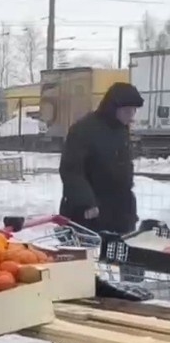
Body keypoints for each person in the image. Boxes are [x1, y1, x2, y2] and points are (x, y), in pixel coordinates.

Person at [59, 81, 144, 235]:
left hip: (119, 213)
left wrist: (129, 210)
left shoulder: (121, 129)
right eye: (127, 111)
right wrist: (86, 202)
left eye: (134, 111)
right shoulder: (84, 130)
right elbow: (71, 170)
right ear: (112, 108)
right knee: (89, 255)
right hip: (89, 213)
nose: (131, 116)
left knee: (116, 255)